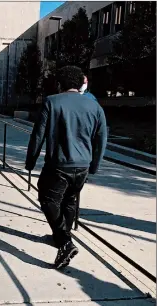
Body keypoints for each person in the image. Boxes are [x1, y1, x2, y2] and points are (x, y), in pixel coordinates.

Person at [25, 66, 107, 269]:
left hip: (59, 164)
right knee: (70, 200)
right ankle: (62, 237)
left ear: (60, 84)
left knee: (47, 197)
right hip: (83, 166)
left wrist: (30, 161)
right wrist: (94, 165)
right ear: (80, 83)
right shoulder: (95, 106)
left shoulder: (52, 102)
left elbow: (38, 135)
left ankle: (64, 242)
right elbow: (102, 138)